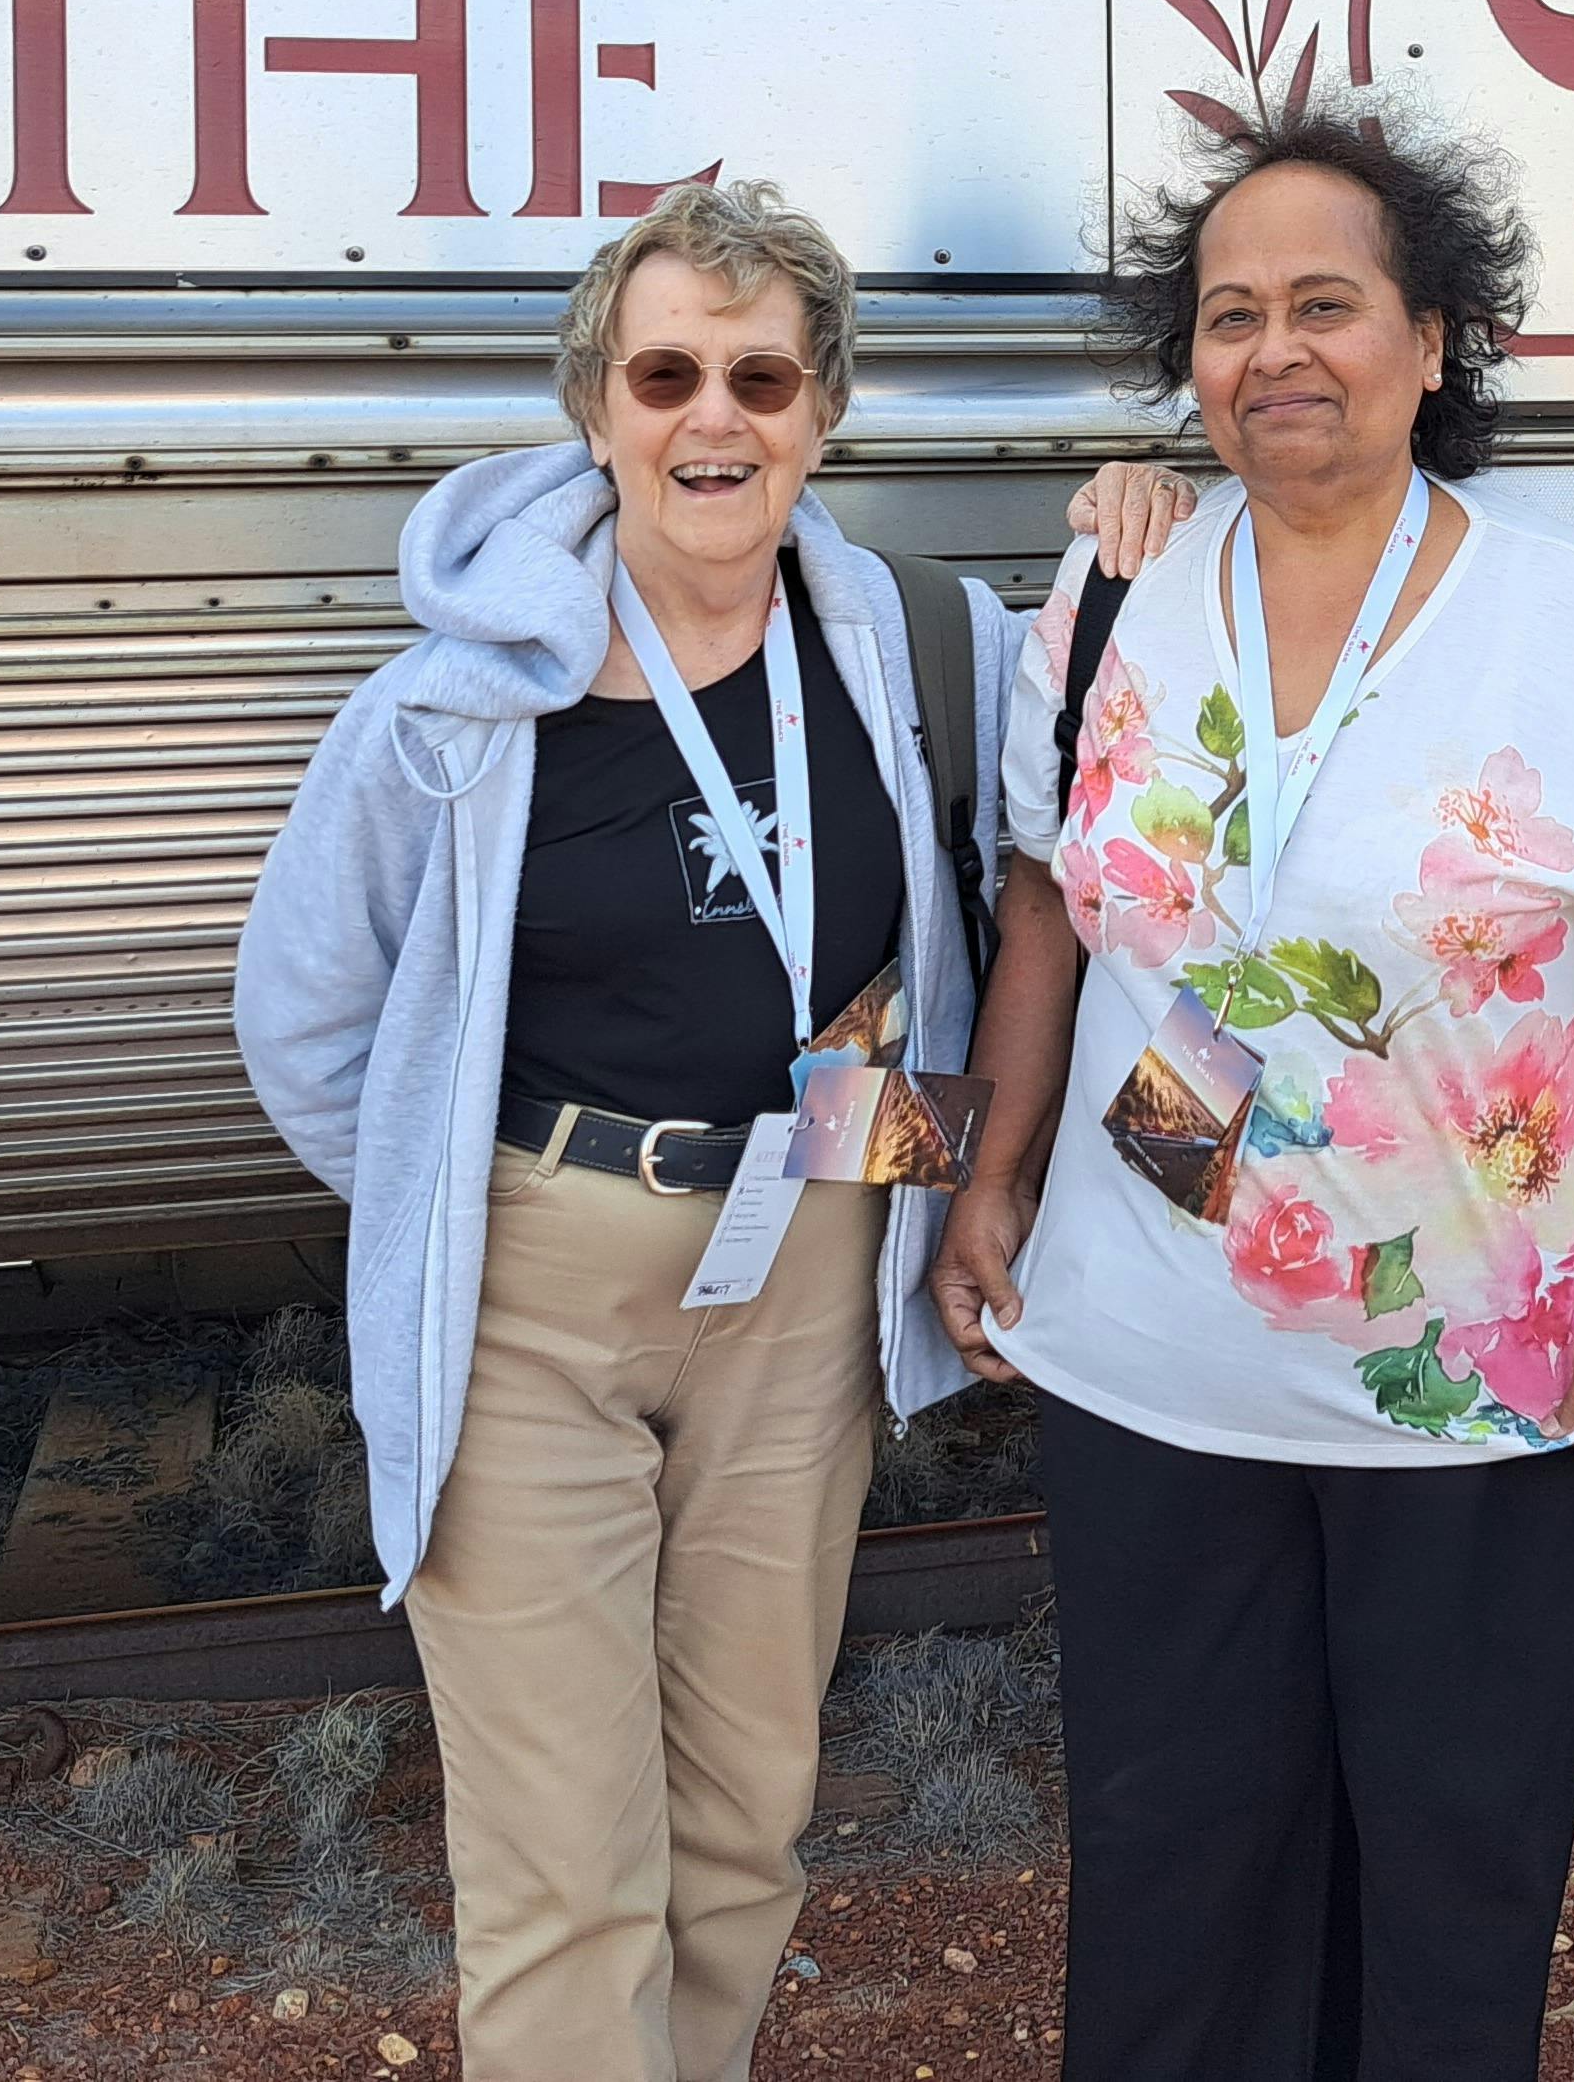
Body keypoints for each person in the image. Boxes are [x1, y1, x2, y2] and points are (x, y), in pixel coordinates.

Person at [934, 104, 1574, 2082]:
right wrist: (990, 1173)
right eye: (1230, 316)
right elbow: (1050, 907)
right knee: (1169, 1874)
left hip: (1481, 1401)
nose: (1275, 352)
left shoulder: (1567, 617)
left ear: (1432, 340)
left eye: (1325, 304)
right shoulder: (1111, 601)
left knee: (1450, 1886)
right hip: (1147, 1369)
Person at [235, 176, 1017, 2082]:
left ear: (825, 407)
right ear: (597, 405)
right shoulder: (452, 706)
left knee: (745, 1816)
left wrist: (902, 1209)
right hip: (534, 1290)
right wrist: (465, 1200)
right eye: (667, 373)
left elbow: (1011, 919)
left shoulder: (923, 658)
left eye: (763, 374)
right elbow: (311, 1016)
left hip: (808, 1268)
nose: (714, 419)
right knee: (564, 1859)